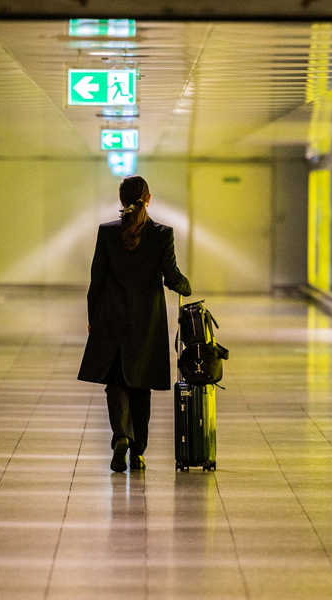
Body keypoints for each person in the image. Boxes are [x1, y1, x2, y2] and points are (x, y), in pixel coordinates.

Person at [78, 175, 192, 472]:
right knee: (141, 387)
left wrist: (93, 319)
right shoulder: (161, 234)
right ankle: (138, 452)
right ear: (148, 198)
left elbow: (97, 281)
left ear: (121, 200)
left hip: (112, 318)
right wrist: (185, 285)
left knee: (116, 382)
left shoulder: (107, 233)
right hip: (147, 321)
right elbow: (171, 276)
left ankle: (120, 437)